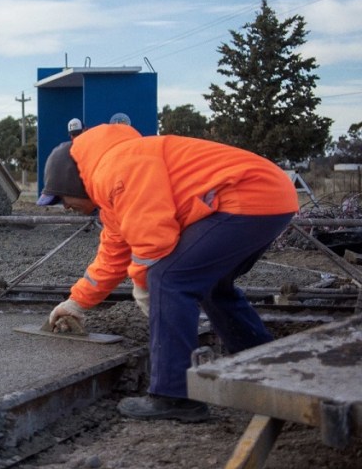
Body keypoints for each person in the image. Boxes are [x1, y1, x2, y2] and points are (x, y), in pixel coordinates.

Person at [39, 123, 298, 423]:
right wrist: (77, 302)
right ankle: (262, 367)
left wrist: (145, 286)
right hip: (268, 195)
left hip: (247, 196)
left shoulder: (117, 170)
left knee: (168, 278)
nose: (65, 208)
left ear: (73, 184)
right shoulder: (112, 186)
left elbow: (154, 241)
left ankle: (175, 395)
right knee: (211, 287)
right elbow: (113, 255)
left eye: (63, 200)